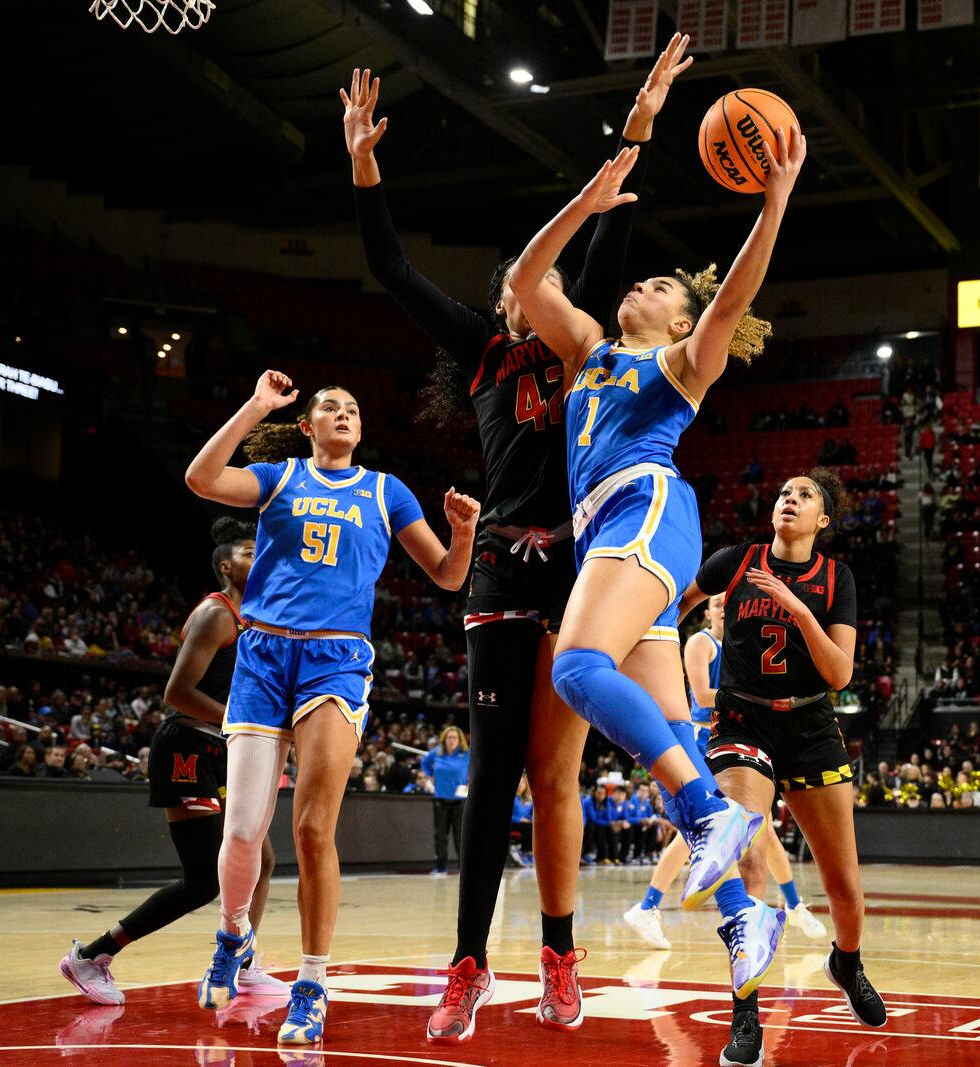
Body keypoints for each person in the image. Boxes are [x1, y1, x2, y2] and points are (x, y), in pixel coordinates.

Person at [343, 41, 693, 1041]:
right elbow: (388, 265)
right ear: (507, 298)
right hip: (502, 562)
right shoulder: (486, 348)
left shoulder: (590, 347)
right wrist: (365, 165)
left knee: (558, 778)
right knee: (494, 769)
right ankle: (465, 965)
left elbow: (607, 239)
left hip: (582, 569)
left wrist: (641, 119)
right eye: (513, 283)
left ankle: (558, 953)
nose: (525, 289)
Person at [508, 107, 809, 1005]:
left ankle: (711, 814)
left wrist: (776, 201)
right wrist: (586, 201)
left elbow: (735, 296)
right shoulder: (590, 351)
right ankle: (743, 914)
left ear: (678, 316)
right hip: (611, 531)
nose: (636, 285)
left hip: (645, 508)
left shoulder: (678, 363)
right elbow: (528, 278)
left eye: (655, 286)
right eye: (637, 280)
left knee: (573, 668)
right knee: (672, 732)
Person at [184, 372, 479, 1046]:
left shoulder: (385, 491)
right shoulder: (280, 478)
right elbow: (202, 478)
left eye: (352, 407)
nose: (342, 413)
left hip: (335, 661)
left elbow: (447, 576)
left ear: (360, 428)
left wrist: (461, 534)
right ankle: (234, 933)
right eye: (328, 408)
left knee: (314, 828)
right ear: (309, 427)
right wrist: (255, 405)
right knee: (242, 834)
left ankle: (312, 984)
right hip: (263, 654)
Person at [675, 470, 889, 1065]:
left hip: (811, 725)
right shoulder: (735, 561)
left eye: (805, 495)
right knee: (747, 859)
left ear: (823, 520)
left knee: (845, 889)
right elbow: (673, 607)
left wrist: (796, 606)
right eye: (784, 493)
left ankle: (845, 964)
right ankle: (746, 1014)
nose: (789, 499)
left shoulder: (834, 577)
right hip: (743, 721)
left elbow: (840, 674)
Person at [60, 518, 287, 1006]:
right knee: (203, 880)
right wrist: (237, 721)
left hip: (222, 749)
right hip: (187, 745)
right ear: (227, 566)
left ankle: (243, 965)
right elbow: (177, 693)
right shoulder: (217, 614)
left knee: (261, 859)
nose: (259, 555)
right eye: (249, 551)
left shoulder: (258, 614)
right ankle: (91, 957)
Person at [624, 593, 827, 950]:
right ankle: (648, 906)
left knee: (759, 827)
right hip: (704, 739)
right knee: (703, 832)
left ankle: (794, 904)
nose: (722, 609)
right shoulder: (701, 643)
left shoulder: (738, 643)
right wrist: (759, 698)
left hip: (734, 736)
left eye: (727, 605)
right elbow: (702, 696)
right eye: (717, 604)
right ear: (708, 611)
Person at [421, 726, 470, 876]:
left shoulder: (467, 754)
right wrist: (428, 777)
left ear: (460, 739)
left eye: (455, 737)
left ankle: (464, 868)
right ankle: (441, 867)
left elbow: (477, 768)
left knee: (460, 837)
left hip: (460, 801)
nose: (452, 740)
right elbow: (424, 763)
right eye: (449, 737)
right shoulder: (436, 752)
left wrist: (470, 783)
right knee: (440, 835)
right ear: (445, 739)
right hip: (440, 800)